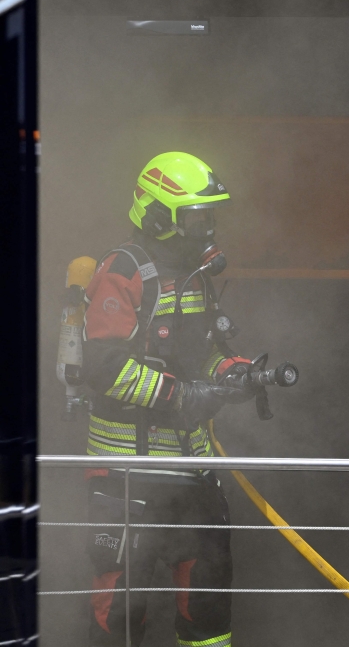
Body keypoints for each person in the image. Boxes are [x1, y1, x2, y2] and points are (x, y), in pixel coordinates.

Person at [82, 152, 260, 647]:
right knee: (117, 615)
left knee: (207, 607)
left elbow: (200, 356)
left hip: (192, 474)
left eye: (210, 216)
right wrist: (184, 396)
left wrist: (234, 375)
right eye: (195, 217)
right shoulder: (124, 270)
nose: (207, 229)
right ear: (159, 217)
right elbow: (103, 367)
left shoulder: (195, 278)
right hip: (125, 476)